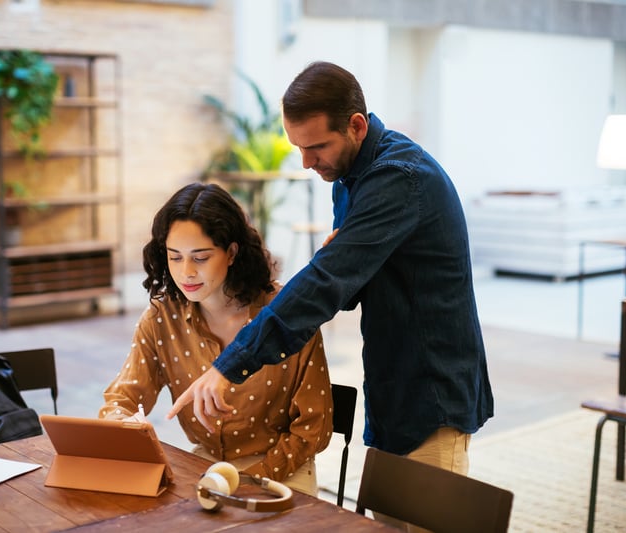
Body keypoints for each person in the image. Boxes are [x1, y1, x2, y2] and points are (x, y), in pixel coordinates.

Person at [168, 61, 493, 485]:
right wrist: (345, 261)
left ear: (356, 126)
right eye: (298, 147)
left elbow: (326, 283)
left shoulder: (400, 178)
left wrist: (232, 363)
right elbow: (348, 286)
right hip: (390, 388)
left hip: (432, 394)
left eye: (316, 146)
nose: (306, 162)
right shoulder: (347, 178)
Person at [99, 182, 333, 497]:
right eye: (175, 257)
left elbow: (313, 429)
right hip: (206, 467)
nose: (186, 272)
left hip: (283, 469)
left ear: (232, 252)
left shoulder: (287, 314)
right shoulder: (161, 317)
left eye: (201, 257)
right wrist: (123, 425)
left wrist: (248, 481)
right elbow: (123, 399)